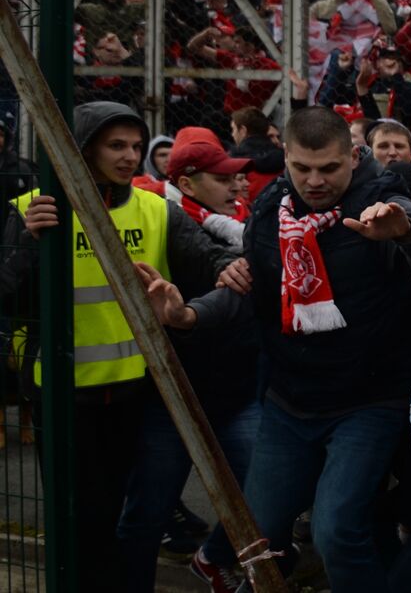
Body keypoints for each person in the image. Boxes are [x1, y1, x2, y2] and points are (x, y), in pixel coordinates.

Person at [143, 106, 411, 593]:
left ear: (354, 157)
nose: (314, 181)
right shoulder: (271, 208)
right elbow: (248, 291)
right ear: (287, 160)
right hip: (289, 401)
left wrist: (405, 236)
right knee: (255, 535)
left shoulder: (384, 201)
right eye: (303, 168)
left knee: (335, 531)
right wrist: (187, 316)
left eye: (329, 169)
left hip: (370, 401)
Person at [0, 104, 238, 591]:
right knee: (77, 523)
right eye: (116, 146)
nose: (131, 156)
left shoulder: (155, 210)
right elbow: (8, 295)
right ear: (84, 147)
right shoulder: (32, 209)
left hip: (134, 395)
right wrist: (29, 242)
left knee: (115, 519)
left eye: (135, 146)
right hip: (62, 397)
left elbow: (208, 258)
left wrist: (231, 267)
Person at [120, 128, 261, 593]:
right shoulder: (162, 219)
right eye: (222, 179)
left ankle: (214, 557)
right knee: (148, 513)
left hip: (236, 392)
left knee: (263, 493)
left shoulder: (246, 225)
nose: (236, 186)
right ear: (188, 181)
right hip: (175, 396)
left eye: (235, 177)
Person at [229, 105, 285, 203]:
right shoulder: (284, 158)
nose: (232, 134)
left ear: (242, 130)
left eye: (234, 129)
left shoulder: (235, 160)